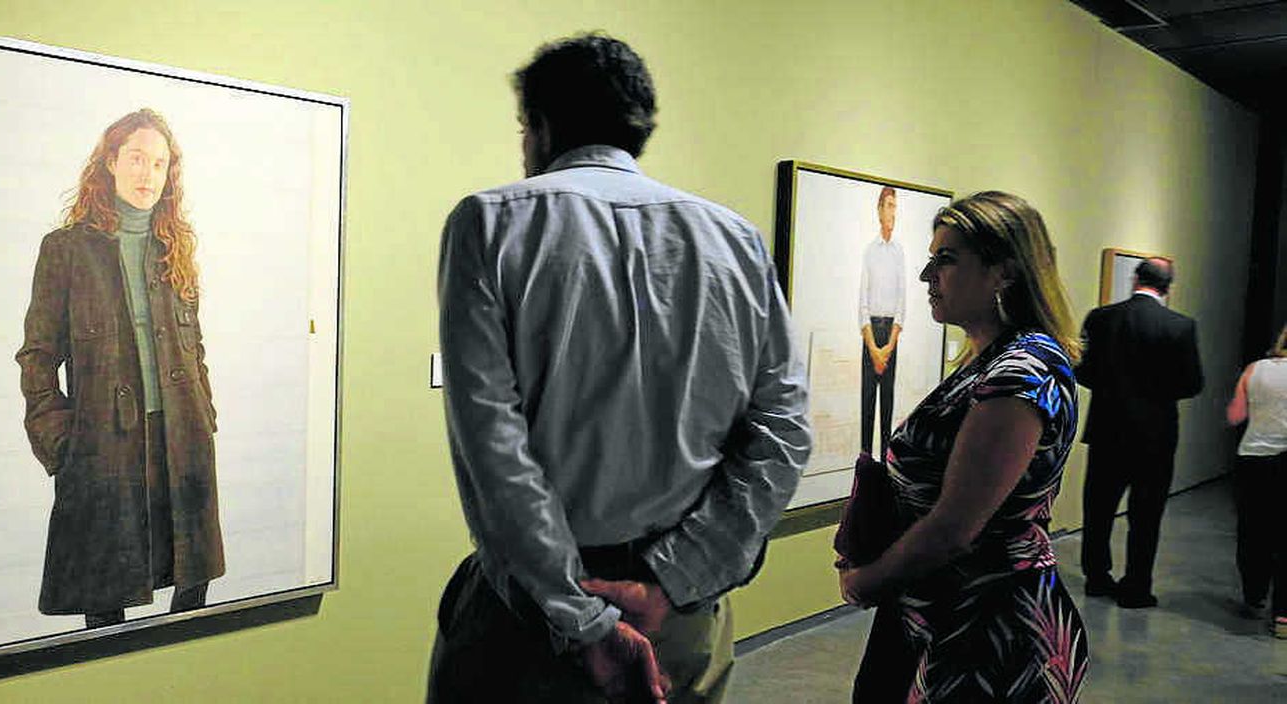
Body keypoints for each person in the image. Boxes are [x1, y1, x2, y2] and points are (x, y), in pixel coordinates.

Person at [428, 33, 811, 703]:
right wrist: (675, 580)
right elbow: (781, 431)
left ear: (541, 126)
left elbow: (494, 448)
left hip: (531, 621)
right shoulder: (735, 241)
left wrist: (580, 618)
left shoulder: (490, 224)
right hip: (680, 619)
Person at [839, 191, 1089, 703]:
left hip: (988, 630)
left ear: (1004, 273)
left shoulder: (1021, 373)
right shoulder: (991, 360)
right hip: (945, 613)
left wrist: (866, 581)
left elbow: (955, 527)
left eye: (946, 260)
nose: (926, 276)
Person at [16, 108, 225, 628]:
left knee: (188, 585)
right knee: (103, 591)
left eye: (159, 164)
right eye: (136, 159)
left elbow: (193, 344)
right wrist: (58, 439)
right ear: (110, 162)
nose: (146, 175)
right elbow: (37, 356)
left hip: (181, 438)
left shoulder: (175, 247)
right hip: (103, 445)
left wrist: (206, 413)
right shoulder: (65, 250)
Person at [1076, 257, 1203, 608]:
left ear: (1135, 280)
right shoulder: (1181, 327)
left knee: (1098, 508)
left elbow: (1082, 372)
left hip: (1106, 430)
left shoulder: (1100, 318)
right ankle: (1136, 587)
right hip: (1155, 435)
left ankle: (1097, 578)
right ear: (1168, 287)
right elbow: (1192, 384)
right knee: (1146, 515)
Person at [1225, 323, 1287, 637]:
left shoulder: (1255, 369)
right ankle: (1284, 616)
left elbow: (1235, 415)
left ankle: (1254, 597)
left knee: (1253, 531)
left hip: (1253, 459)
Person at [859, 186, 905, 460]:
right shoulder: (870, 251)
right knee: (868, 403)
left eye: (895, 206)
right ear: (879, 211)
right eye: (888, 205)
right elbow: (862, 305)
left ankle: (885, 469)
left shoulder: (899, 252)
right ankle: (864, 462)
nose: (892, 212)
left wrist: (888, 347)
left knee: (887, 403)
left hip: (890, 334)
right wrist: (874, 349)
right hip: (870, 333)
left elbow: (902, 304)